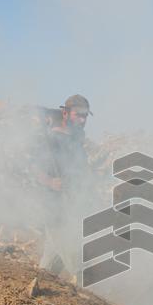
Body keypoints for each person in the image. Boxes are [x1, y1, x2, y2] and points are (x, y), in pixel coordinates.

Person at [38, 94, 92, 277]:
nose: (83, 120)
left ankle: (36, 289)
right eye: (79, 115)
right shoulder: (52, 140)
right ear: (66, 114)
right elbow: (33, 170)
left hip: (71, 205)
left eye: (85, 116)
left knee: (50, 265)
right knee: (75, 259)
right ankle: (90, 296)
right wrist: (50, 182)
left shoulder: (77, 141)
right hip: (55, 208)